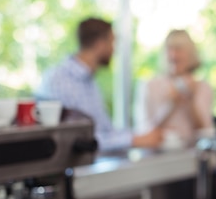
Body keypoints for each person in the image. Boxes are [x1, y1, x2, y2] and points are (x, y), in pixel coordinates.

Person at [37, 17, 162, 151]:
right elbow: (78, 141)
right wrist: (133, 140)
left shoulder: (89, 81)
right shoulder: (59, 80)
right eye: (112, 43)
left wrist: (139, 136)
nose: (115, 50)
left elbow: (105, 130)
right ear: (100, 44)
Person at [134, 29, 214, 147]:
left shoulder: (203, 88)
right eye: (169, 49)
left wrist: (191, 101)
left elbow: (206, 133)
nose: (173, 55)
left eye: (179, 49)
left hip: (190, 155)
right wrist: (170, 105)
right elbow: (144, 134)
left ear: (190, 53)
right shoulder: (149, 85)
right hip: (158, 157)